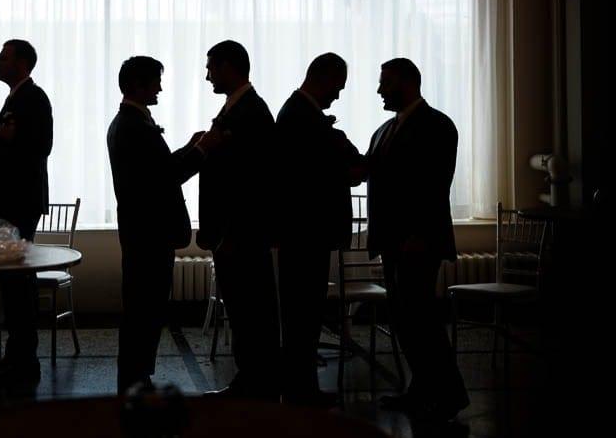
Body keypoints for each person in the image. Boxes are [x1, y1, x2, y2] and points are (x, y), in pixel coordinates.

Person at [365, 57, 469, 423]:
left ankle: (450, 394)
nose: (379, 90)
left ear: (408, 83)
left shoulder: (437, 126)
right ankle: (423, 389)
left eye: (385, 82)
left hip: (417, 242)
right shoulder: (382, 131)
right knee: (406, 320)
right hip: (394, 242)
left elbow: (434, 185)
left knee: (421, 319)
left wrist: (419, 235)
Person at [107, 56, 216, 393]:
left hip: (142, 233)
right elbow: (164, 177)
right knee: (144, 311)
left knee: (144, 309)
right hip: (149, 235)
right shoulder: (133, 126)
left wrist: (191, 146)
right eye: (155, 81)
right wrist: (201, 152)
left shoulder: (127, 123)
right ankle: (135, 378)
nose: (160, 87)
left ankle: (138, 375)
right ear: (139, 84)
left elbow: (157, 168)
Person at [274, 52, 362, 407]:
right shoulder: (301, 116)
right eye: (337, 87)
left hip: (301, 233)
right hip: (306, 232)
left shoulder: (298, 113)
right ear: (322, 78)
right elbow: (318, 174)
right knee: (302, 316)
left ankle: (301, 388)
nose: (337, 95)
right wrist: (341, 148)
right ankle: (302, 392)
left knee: (302, 315)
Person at [195, 40, 280, 399]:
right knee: (245, 311)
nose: (207, 74)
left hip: (239, 236)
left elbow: (249, 184)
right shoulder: (238, 108)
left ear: (230, 67)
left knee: (251, 312)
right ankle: (252, 380)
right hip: (233, 235)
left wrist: (230, 234)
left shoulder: (250, 113)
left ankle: (255, 385)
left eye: (211, 66)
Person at [0, 39, 53, 386]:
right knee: (12, 282)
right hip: (11, 202)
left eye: (3, 57)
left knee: (18, 282)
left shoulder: (33, 98)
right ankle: (16, 355)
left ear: (22, 63)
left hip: (19, 202)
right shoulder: (17, 98)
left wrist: (7, 142)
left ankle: (25, 361)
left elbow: (43, 146)